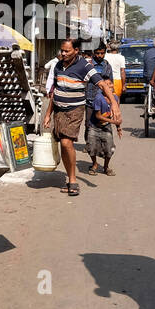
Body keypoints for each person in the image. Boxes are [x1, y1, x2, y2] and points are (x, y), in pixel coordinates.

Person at [42, 37, 117, 196]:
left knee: (66, 141)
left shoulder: (84, 65)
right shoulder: (58, 65)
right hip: (59, 110)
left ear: (76, 51)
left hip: (75, 110)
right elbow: (55, 92)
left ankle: (74, 180)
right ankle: (69, 178)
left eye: (67, 51)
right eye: (62, 50)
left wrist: (114, 104)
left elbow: (102, 84)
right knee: (63, 144)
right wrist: (48, 114)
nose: (63, 53)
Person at [85, 85, 119, 176]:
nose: (110, 87)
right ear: (103, 88)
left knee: (110, 148)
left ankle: (106, 167)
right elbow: (98, 116)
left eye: (111, 84)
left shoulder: (115, 98)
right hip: (94, 126)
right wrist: (113, 122)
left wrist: (118, 127)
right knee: (91, 147)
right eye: (107, 85)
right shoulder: (98, 98)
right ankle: (94, 164)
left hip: (106, 127)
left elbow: (117, 114)